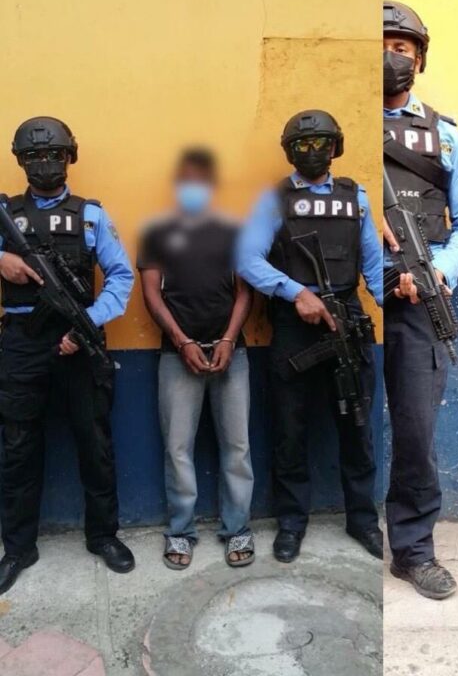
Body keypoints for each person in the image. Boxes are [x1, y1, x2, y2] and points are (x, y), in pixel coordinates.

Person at [237, 109, 383, 563]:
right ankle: (291, 523)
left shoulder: (355, 197)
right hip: (294, 324)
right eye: (302, 144)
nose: (313, 151)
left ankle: (363, 520)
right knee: (290, 429)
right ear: (290, 152)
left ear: (336, 147)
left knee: (357, 425)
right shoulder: (274, 200)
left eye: (322, 143)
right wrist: (295, 292)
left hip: (347, 318)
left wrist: (398, 309)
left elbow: (374, 266)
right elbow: (247, 258)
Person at [0, 116, 135, 593]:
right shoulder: (7, 214)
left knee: (94, 444)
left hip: (79, 342)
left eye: (53, 154)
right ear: (21, 162)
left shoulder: (91, 216)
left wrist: (88, 324)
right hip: (21, 342)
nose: (44, 163)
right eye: (34, 156)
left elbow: (121, 276)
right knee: (18, 446)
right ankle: (18, 547)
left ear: (69, 157)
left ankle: (104, 536)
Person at [383, 0, 458, 599]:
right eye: (379, 47)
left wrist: (436, 271)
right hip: (349, 295)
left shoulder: (445, 137)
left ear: (419, 59)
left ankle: (413, 550)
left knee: (417, 431)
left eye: (401, 48)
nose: (390, 58)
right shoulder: (339, 131)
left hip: (419, 300)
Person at [137, 148, 255, 570]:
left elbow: (245, 292)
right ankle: (180, 531)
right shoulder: (157, 233)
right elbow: (151, 294)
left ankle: (238, 529)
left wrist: (228, 339)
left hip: (231, 353)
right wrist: (182, 340)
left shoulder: (234, 233)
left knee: (237, 447)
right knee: (177, 448)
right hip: (177, 355)